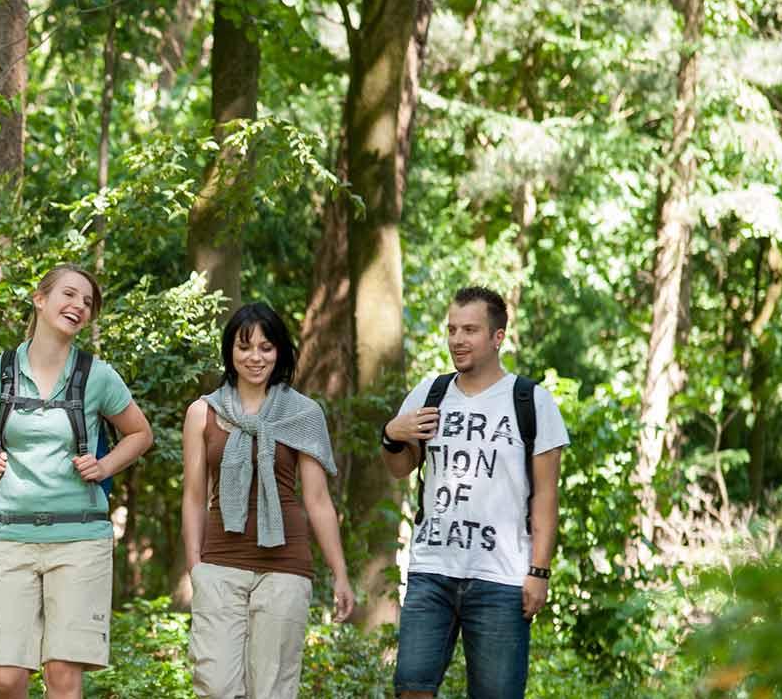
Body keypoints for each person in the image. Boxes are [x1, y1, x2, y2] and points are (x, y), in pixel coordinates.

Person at [0, 263, 156, 699]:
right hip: (8, 536)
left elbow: (140, 433)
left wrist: (105, 466)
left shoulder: (97, 375)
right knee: (5, 678)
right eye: (69, 294)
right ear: (39, 300)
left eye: (87, 302)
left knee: (62, 674)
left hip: (81, 538)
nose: (79, 305)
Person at [381, 286, 568, 699]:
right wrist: (391, 434)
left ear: (497, 337)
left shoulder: (531, 401)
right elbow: (399, 467)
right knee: (411, 687)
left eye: (470, 330)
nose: (457, 340)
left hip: (501, 576)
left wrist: (539, 572)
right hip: (432, 567)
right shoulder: (430, 394)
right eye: (451, 330)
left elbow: (546, 498)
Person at [182, 302, 355, 699]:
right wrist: (196, 567)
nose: (255, 357)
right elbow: (193, 497)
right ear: (230, 352)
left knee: (272, 687)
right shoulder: (203, 412)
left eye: (266, 347)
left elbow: (317, 500)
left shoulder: (303, 413)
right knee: (216, 684)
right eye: (245, 347)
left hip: (285, 566)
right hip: (220, 562)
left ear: (280, 352)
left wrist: (340, 572)